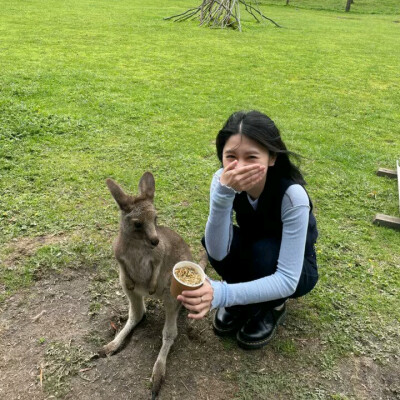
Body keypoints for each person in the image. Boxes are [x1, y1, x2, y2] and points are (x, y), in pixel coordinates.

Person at [177, 110, 318, 349]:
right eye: (230, 156)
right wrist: (223, 196)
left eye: (251, 157)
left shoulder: (293, 197)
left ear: (271, 157)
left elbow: (287, 280)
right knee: (212, 239)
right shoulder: (222, 181)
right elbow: (217, 251)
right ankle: (243, 301)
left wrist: (221, 294)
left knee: (265, 256)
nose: (239, 167)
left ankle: (272, 306)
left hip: (295, 270)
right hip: (254, 246)